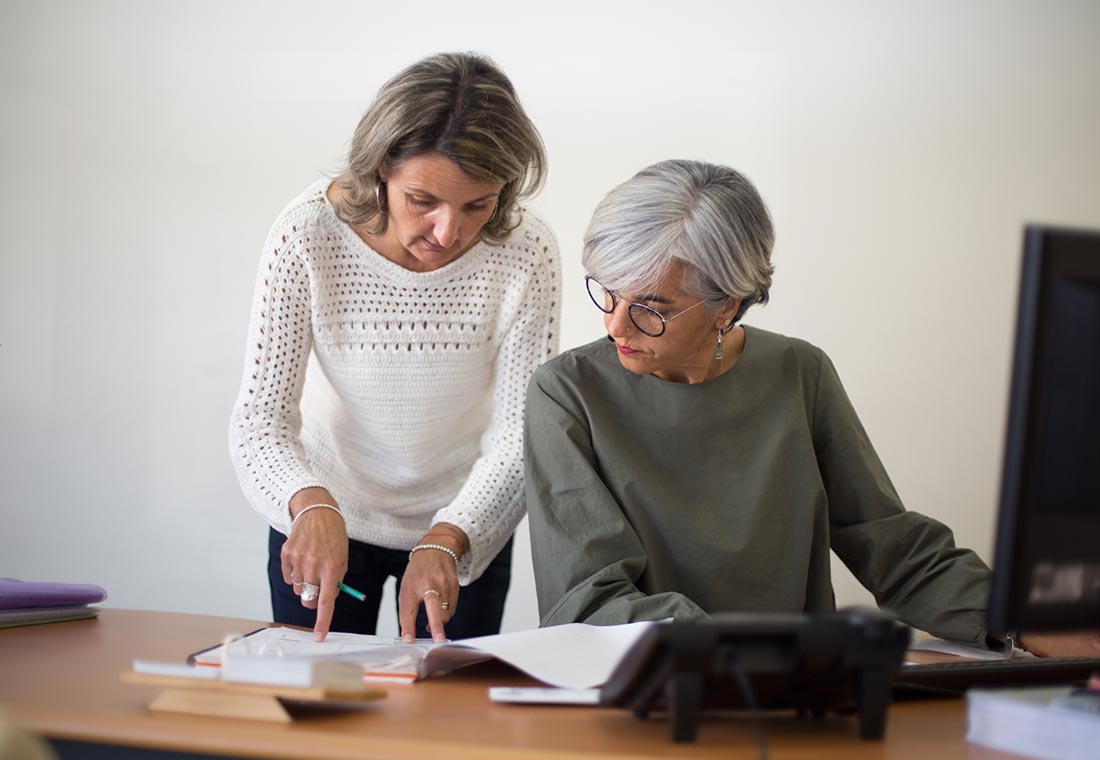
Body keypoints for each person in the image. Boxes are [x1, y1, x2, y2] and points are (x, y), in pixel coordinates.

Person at [524, 159, 1100, 657]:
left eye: (650, 306)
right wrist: (745, 658)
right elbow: (588, 598)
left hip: (797, 703)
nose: (614, 324)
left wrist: (1026, 623)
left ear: (727, 305)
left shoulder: (800, 373)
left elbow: (895, 551)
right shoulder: (566, 391)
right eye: (607, 291)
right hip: (654, 698)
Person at [230, 52, 560, 644]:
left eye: (477, 206)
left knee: (447, 722)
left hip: (464, 524)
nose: (448, 232)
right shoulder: (307, 234)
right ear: (380, 168)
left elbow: (519, 432)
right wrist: (307, 504)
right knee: (314, 708)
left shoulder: (525, 251)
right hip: (323, 515)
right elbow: (259, 421)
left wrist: (451, 534)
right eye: (422, 200)